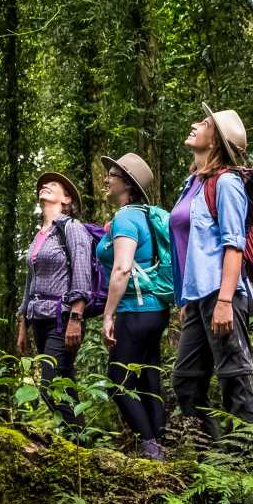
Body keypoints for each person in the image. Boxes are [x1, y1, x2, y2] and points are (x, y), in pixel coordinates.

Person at [169, 107, 253, 438]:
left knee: (234, 375)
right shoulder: (192, 184)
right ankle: (214, 459)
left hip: (223, 293)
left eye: (204, 124)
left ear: (216, 141)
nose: (195, 125)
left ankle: (248, 460)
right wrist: (186, 299)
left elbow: (233, 245)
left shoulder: (227, 183)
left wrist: (224, 300)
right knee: (186, 380)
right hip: (198, 298)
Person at [96, 151, 172, 459]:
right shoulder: (144, 214)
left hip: (134, 310)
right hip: (156, 309)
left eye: (111, 176)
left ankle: (150, 447)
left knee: (118, 381)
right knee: (147, 378)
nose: (105, 180)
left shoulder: (127, 217)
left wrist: (108, 314)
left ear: (126, 183)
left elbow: (123, 268)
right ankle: (160, 446)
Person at [14, 170, 94, 431]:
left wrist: (75, 318)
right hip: (38, 318)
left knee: (50, 385)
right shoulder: (39, 236)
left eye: (54, 185)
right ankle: (81, 448)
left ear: (67, 198)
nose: (45, 186)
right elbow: (30, 281)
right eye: (43, 185)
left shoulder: (72, 228)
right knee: (63, 383)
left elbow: (82, 272)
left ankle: (79, 445)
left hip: (63, 318)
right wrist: (22, 325)